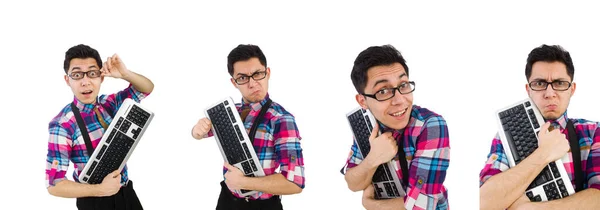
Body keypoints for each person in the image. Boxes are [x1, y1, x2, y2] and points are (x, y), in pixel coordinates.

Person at [479, 44, 600, 210]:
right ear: (528, 90)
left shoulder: (593, 132)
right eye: (539, 83)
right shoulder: (506, 136)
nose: (549, 93)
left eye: (559, 83)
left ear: (572, 89)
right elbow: (484, 203)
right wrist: (543, 154)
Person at [191, 44, 305, 210]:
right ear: (234, 82)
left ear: (268, 73)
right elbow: (199, 133)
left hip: (262, 206)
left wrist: (244, 182)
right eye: (243, 78)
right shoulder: (230, 112)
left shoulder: (281, 119)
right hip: (227, 200)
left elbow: (295, 183)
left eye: (258, 74)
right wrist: (197, 130)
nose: (252, 84)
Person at [341, 44, 450, 210]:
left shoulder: (430, 125)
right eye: (383, 91)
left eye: (403, 85)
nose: (400, 100)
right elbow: (353, 182)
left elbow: (422, 206)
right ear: (363, 101)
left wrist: (371, 205)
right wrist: (374, 158)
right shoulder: (369, 126)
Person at [45, 44, 154, 210]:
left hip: (127, 194)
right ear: (68, 80)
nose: (85, 82)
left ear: (101, 76)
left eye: (92, 73)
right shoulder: (63, 125)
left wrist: (125, 74)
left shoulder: (110, 103)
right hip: (95, 202)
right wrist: (100, 190)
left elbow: (146, 88)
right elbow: (54, 184)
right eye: (77, 75)